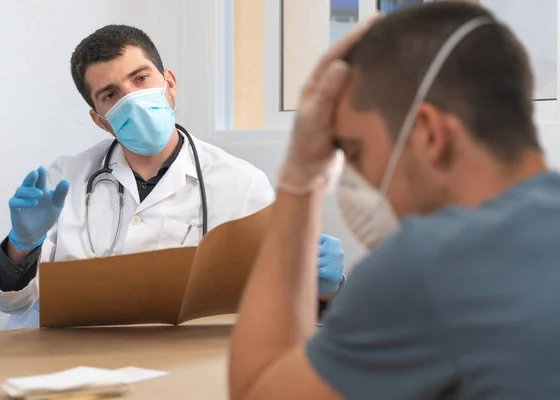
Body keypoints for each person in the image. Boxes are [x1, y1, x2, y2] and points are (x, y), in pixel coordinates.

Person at [230, 2, 560, 399]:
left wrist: (302, 174)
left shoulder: (430, 264)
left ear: (428, 134)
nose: (353, 177)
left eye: (354, 152)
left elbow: (257, 392)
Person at [0, 25, 345, 330]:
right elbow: (11, 303)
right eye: (111, 95)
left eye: (141, 79)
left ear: (169, 83)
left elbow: (276, 306)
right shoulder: (62, 180)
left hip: (182, 364)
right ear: (100, 119)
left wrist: (323, 289)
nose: (133, 99)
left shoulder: (241, 184)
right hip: (66, 363)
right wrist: (22, 246)